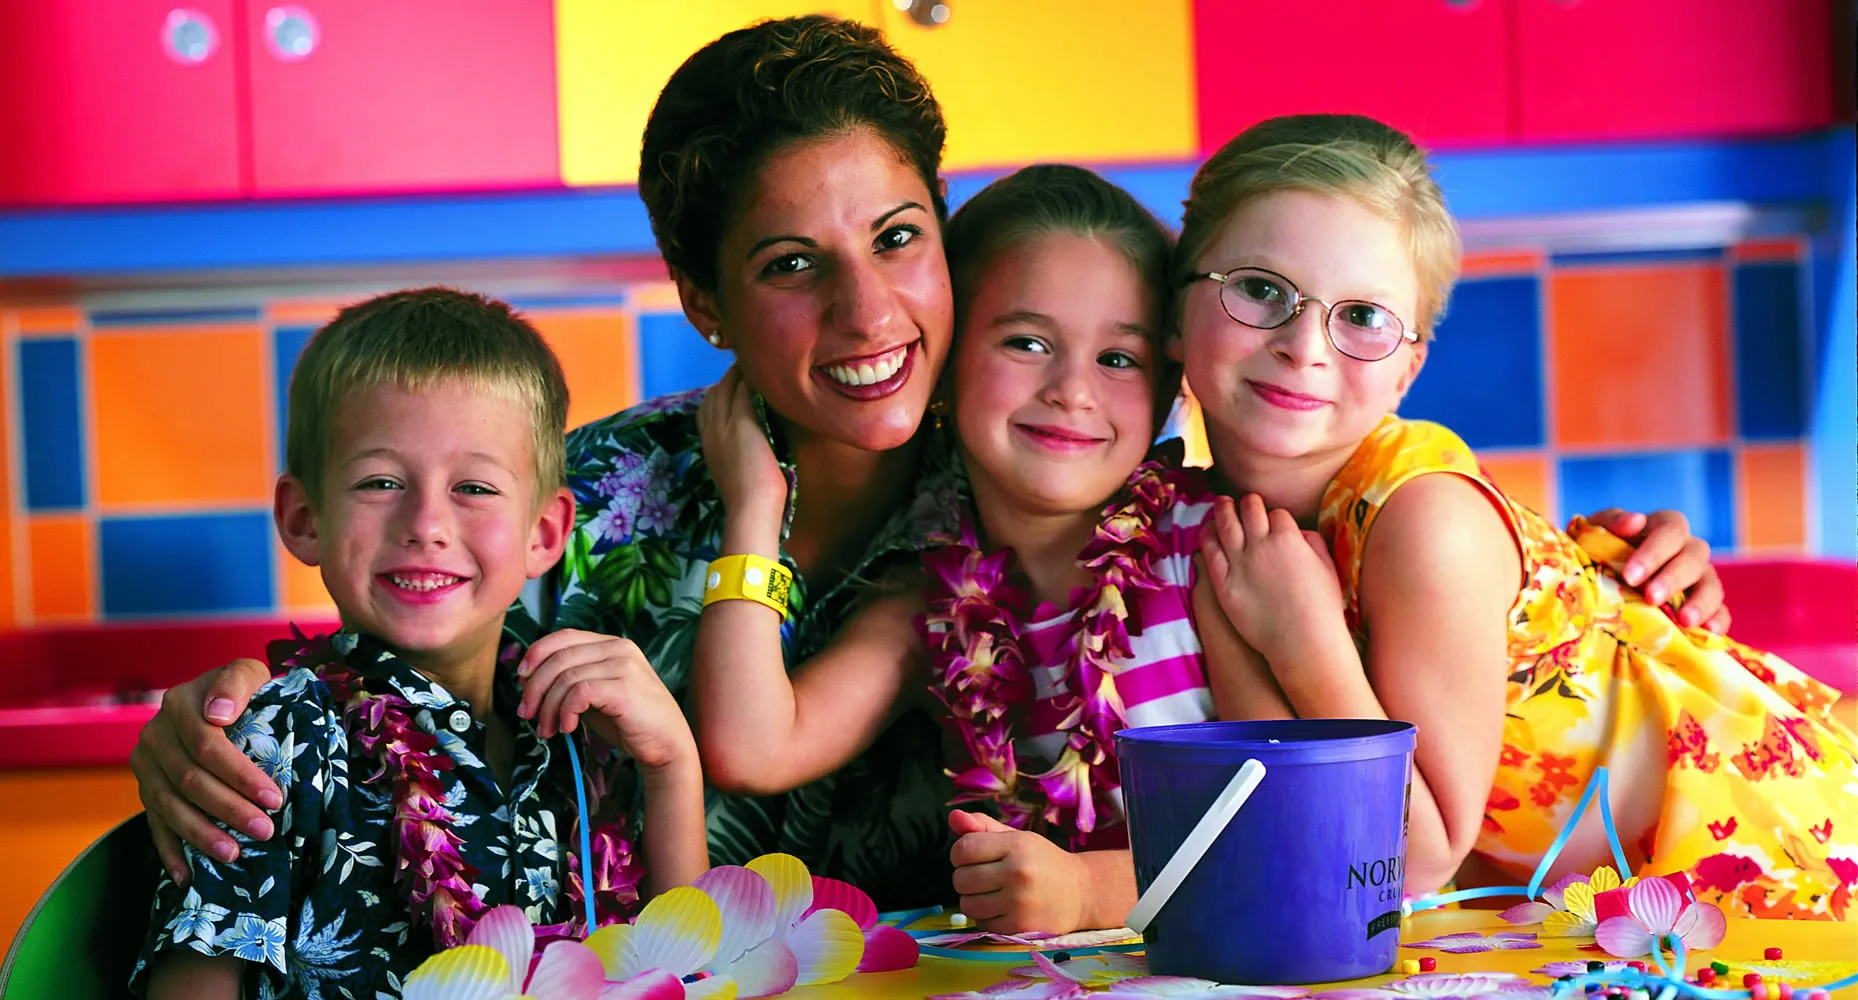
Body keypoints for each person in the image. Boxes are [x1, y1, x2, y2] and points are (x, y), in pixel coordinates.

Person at [124, 17, 1731, 912]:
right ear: (697, 300)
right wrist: (206, 733)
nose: (870, 310)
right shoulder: (581, 510)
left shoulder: (1101, 496)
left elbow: (1357, 712)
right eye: (786, 265)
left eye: (898, 240)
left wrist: (1591, 567)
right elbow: (398, 629)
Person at [1182, 114, 1858, 918]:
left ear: (1409, 369)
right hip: (1601, 915)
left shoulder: (1423, 519)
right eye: (1261, 289)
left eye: (1363, 317)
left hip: (1776, 869)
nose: (1306, 345)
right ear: (1173, 302)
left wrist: (1304, 641)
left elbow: (1413, 858)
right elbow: (1296, 815)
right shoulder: (1223, 530)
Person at [696, 164, 1271, 933]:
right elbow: (753, 749)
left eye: (1118, 358)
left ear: (1169, 386)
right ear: (943, 366)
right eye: (1027, 342)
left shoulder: (1209, 556)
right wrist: (755, 510)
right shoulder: (930, 609)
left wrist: (1090, 894)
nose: (1073, 389)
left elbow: (1300, 828)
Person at [135, 289, 708, 999]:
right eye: (380, 482)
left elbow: (677, 970)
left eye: (474, 486)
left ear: (545, 534)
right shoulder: (278, 738)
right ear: (305, 519)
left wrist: (671, 764)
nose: (426, 522)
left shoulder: (577, 723)